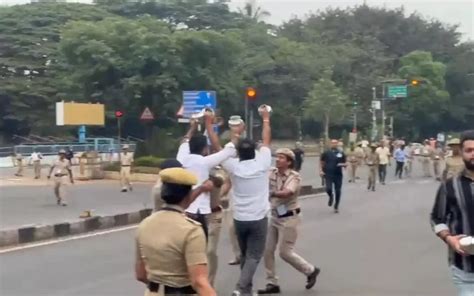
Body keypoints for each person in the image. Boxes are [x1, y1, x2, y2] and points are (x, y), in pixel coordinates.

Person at [135, 167, 217, 296]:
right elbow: (199, 282)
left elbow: (140, 274)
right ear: (188, 195)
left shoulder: (144, 224)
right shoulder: (191, 230)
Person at [220, 108, 272, 296]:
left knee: (244, 255)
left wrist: (212, 127)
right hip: (258, 218)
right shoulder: (262, 163)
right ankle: (241, 287)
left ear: (238, 154)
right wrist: (265, 119)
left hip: (240, 219)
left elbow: (220, 149)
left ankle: (246, 290)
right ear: (255, 151)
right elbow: (266, 140)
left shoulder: (233, 167)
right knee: (254, 256)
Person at [258, 148, 320, 295]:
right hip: (275, 216)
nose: (277, 159)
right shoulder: (271, 172)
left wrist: (270, 193)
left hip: (290, 218)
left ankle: (310, 270)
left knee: (285, 253)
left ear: (289, 162)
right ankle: (271, 282)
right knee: (267, 251)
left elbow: (288, 192)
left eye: (281, 158)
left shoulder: (294, 176)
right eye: (277, 157)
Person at [176, 116, 236, 239]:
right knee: (199, 247)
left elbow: (184, 141)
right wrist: (235, 130)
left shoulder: (181, 157)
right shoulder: (205, 162)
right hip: (198, 211)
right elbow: (228, 151)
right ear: (204, 149)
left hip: (181, 210)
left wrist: (192, 128)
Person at [430, 130, 474, 296]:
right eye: (469, 150)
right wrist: (449, 238)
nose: (473, 154)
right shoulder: (449, 186)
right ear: (462, 153)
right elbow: (436, 218)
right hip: (465, 268)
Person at [320, 139, 347, 213]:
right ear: (330, 144)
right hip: (328, 174)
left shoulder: (341, 153)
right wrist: (321, 171)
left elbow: (345, 163)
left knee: (338, 190)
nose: (334, 144)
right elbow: (322, 162)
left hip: (338, 175)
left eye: (335, 143)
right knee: (328, 188)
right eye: (332, 143)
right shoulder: (326, 153)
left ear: (337, 144)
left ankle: (336, 206)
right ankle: (331, 196)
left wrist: (341, 164)